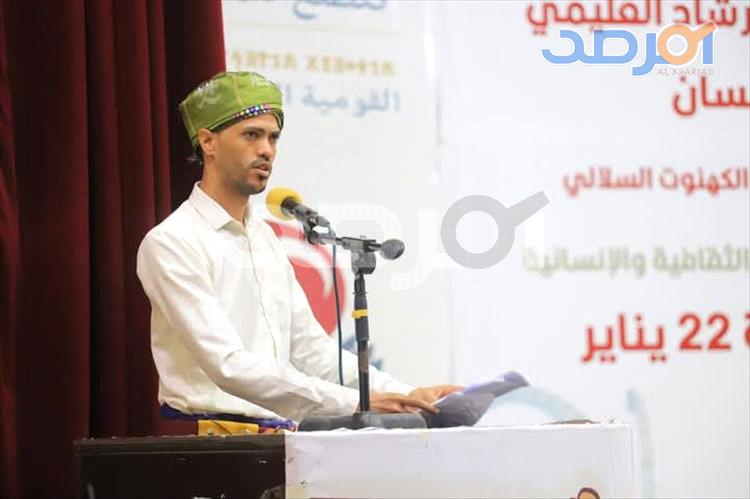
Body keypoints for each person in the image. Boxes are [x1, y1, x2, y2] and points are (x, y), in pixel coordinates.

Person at [136, 71, 459, 428]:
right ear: (208, 142)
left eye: (273, 137)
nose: (266, 150)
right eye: (252, 135)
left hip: (279, 436)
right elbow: (227, 364)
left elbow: (312, 353)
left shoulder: (264, 237)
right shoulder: (172, 242)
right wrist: (360, 403)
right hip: (204, 442)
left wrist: (409, 394)